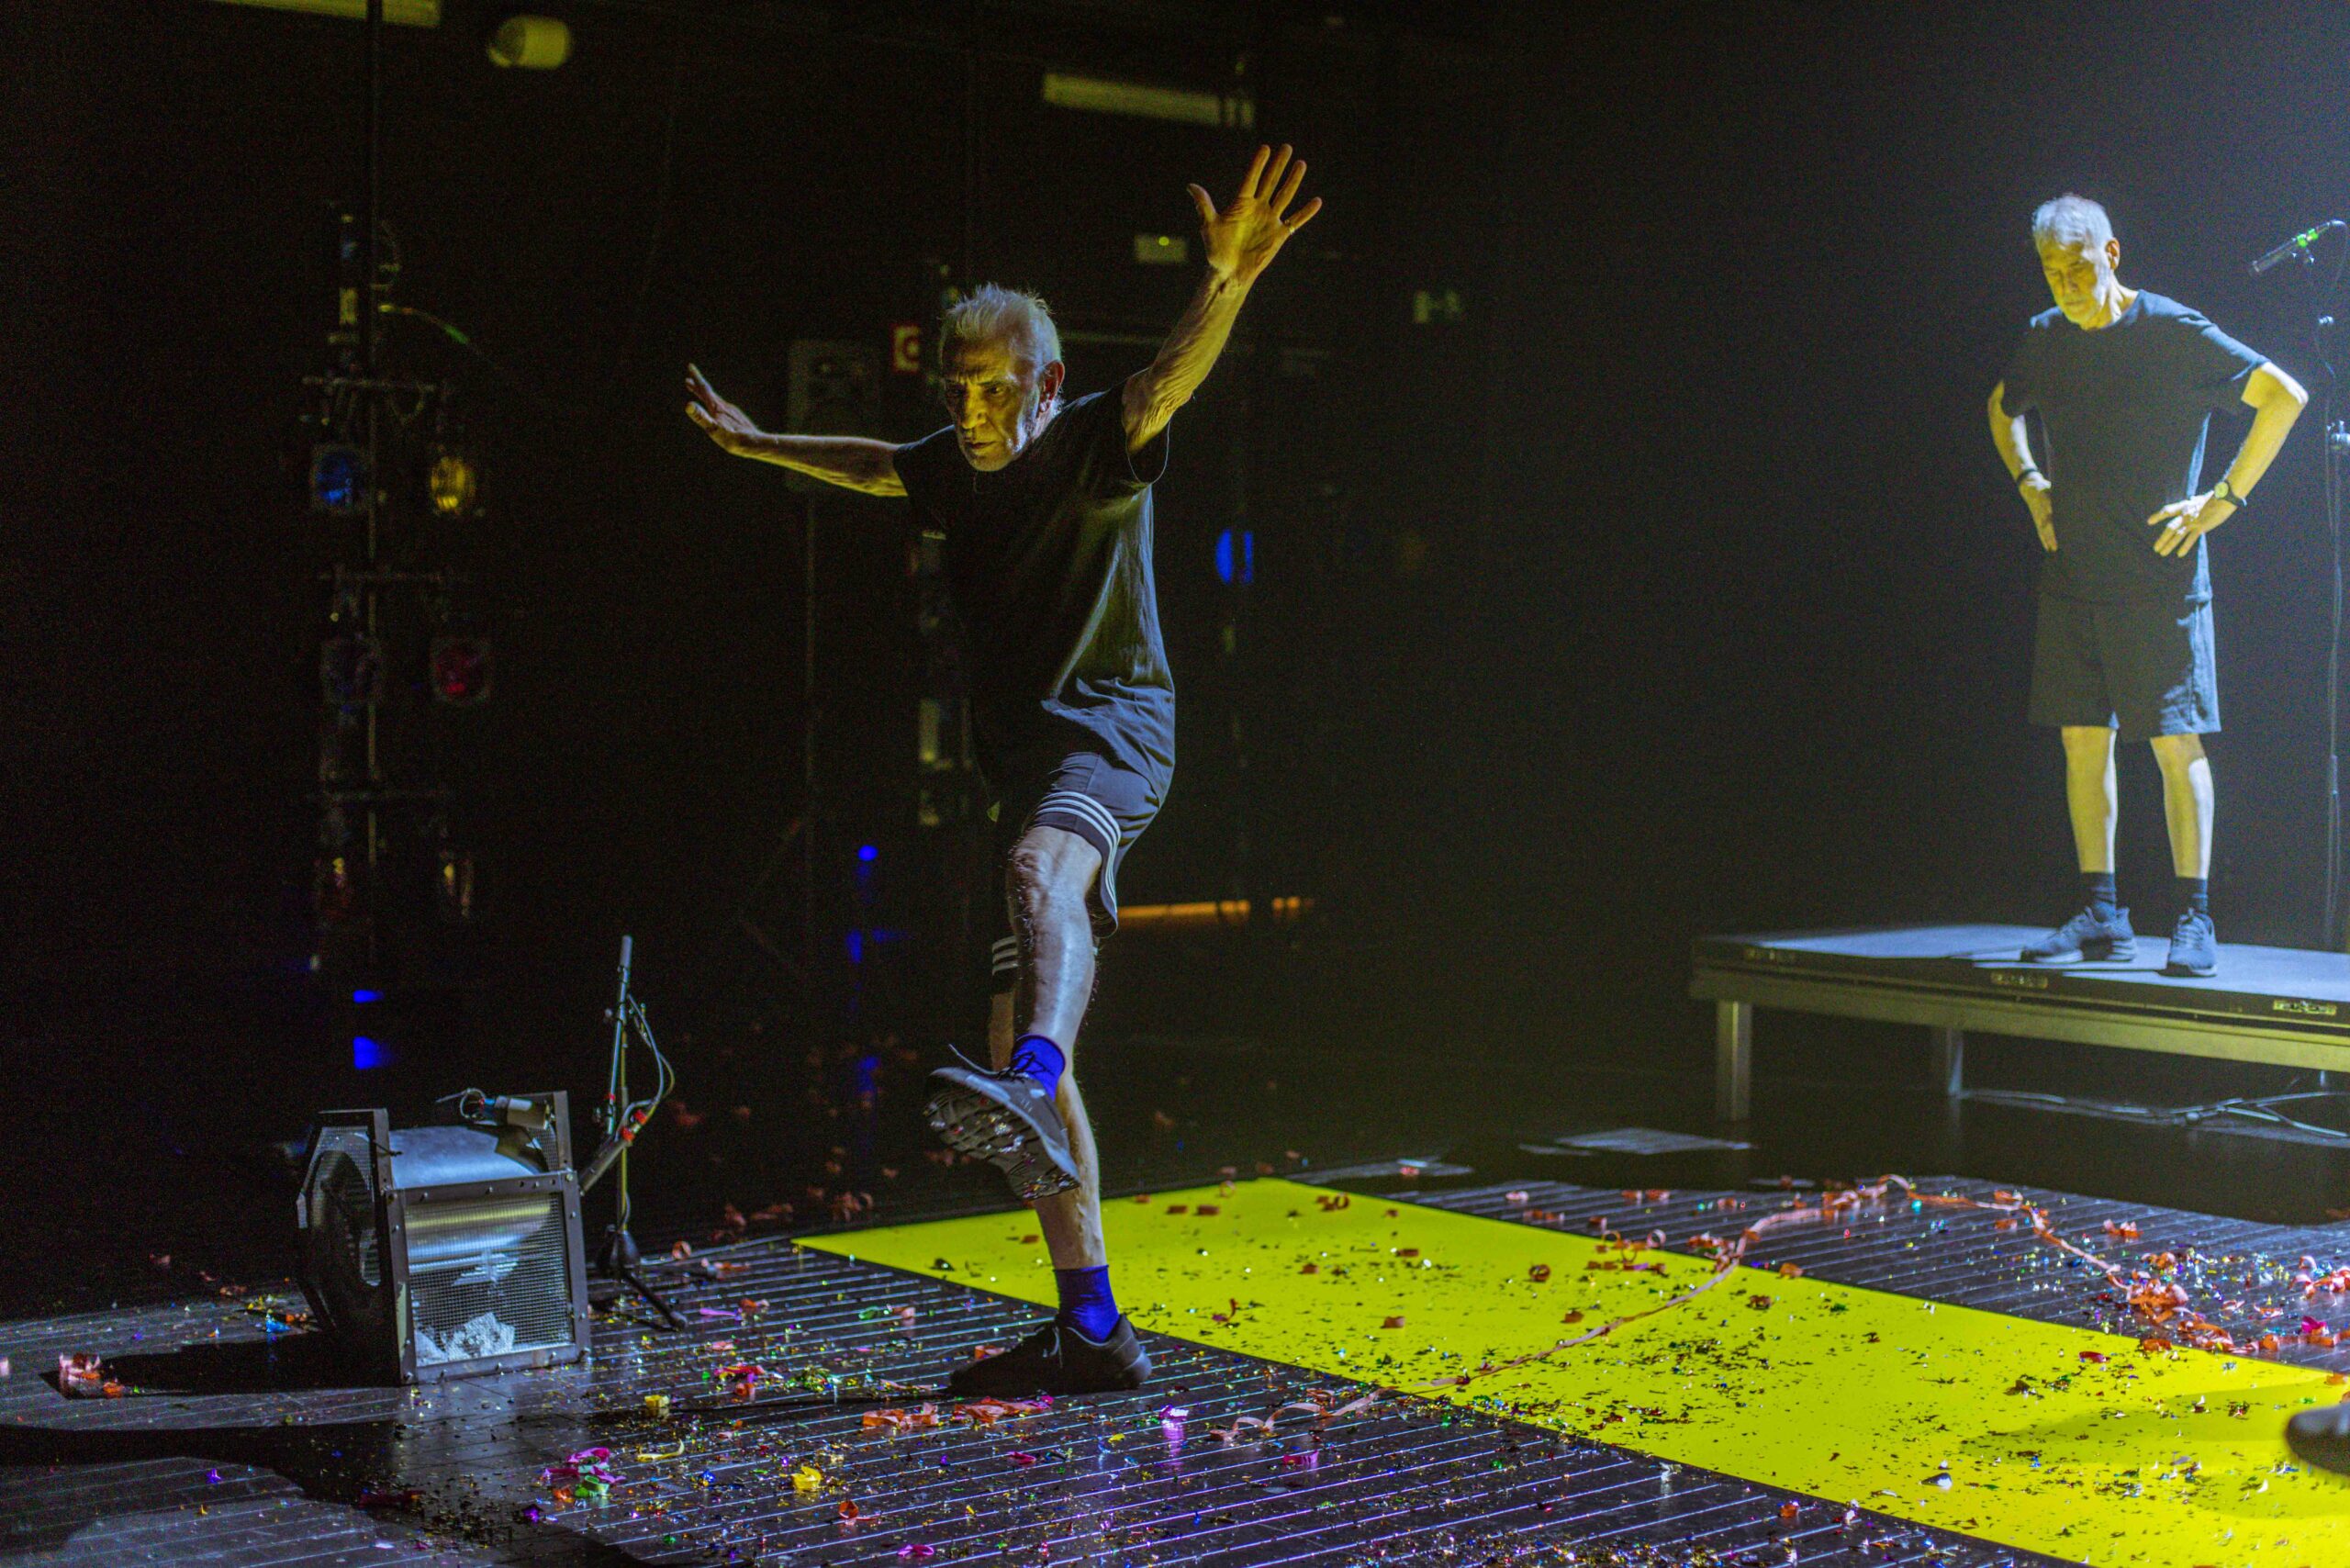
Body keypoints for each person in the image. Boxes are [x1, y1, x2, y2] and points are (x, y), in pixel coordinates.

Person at [686, 145, 1321, 1395]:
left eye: (993, 388)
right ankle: (1093, 1326)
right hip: (1028, 762)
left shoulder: (1097, 443)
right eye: (957, 387)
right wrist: (761, 448)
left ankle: (1030, 1077)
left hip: (1117, 736)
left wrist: (1229, 282)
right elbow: (875, 462)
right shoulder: (949, 468)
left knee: (1039, 880)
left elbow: (1171, 376)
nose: (972, 411)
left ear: (1047, 383)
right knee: (1013, 1007)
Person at [1988, 194, 2306, 978]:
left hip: (2161, 575)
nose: (2066, 285)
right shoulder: (2045, 337)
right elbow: (2002, 407)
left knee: (2174, 741)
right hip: (2074, 575)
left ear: (2111, 253)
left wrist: (2223, 499)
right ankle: (2102, 912)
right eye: (2052, 272)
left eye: (2077, 267)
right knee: (2081, 739)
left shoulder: (2171, 330)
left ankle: (2193, 916)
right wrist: (2031, 484)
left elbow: (2284, 397)